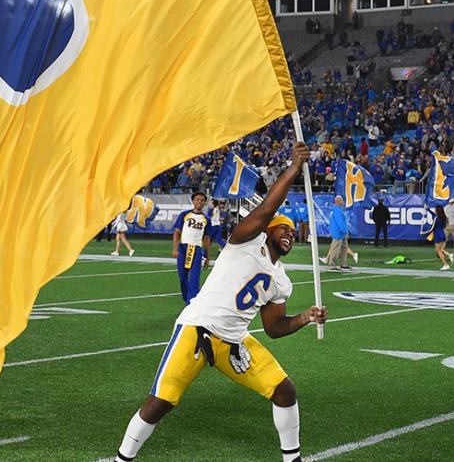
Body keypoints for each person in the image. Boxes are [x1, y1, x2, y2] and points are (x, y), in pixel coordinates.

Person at [111, 142, 327, 462]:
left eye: (294, 233)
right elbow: (267, 208)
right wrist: (294, 168)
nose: (290, 235)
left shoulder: (282, 281)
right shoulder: (245, 241)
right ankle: (122, 459)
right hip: (198, 327)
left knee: (285, 391)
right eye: (284, 228)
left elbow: (274, 328)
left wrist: (305, 318)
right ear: (267, 231)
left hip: (234, 341)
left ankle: (292, 459)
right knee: (161, 401)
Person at [172, 192, 212, 304]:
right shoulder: (185, 215)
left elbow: (207, 239)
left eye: (202, 200)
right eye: (197, 199)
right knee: (182, 276)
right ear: (193, 201)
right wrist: (175, 248)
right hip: (184, 248)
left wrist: (207, 257)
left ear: (204, 203)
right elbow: (176, 232)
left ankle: (192, 303)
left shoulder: (206, 219)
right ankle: (186, 298)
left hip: (197, 250)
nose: (199, 202)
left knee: (194, 278)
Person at [325, 196, 350, 271]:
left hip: (339, 232)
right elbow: (340, 222)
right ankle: (332, 265)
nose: (343, 202)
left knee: (344, 248)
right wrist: (345, 231)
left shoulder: (336, 210)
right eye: (342, 200)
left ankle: (344, 264)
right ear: (339, 201)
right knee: (336, 249)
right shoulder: (338, 211)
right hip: (339, 232)